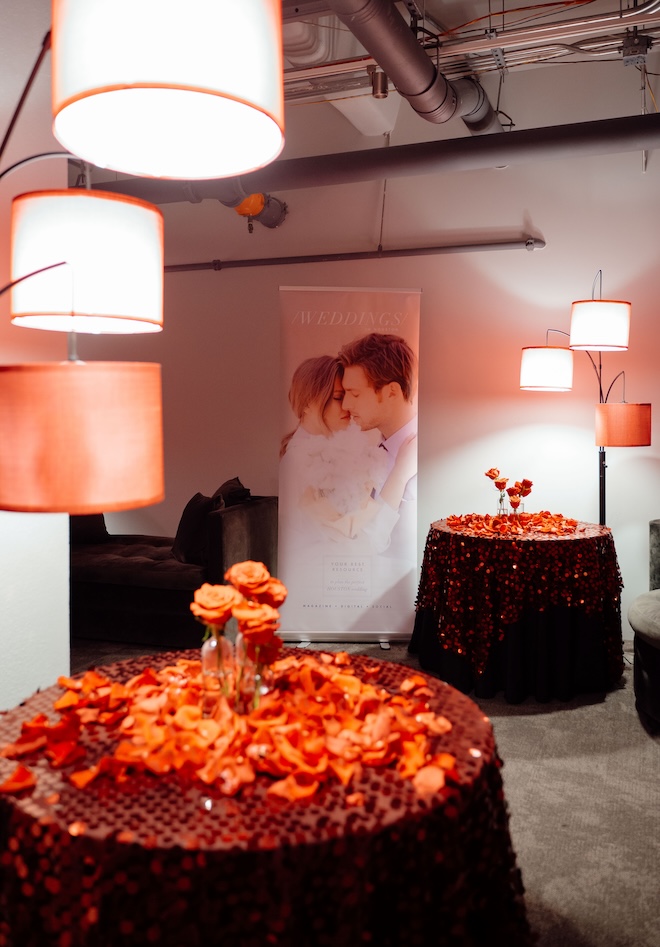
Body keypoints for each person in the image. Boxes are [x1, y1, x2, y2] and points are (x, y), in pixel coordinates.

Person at [279, 354, 414, 554]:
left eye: (351, 396)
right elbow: (362, 545)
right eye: (337, 397)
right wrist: (401, 474)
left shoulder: (328, 452)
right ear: (308, 403)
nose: (347, 406)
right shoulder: (301, 461)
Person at [337, 332, 418, 562]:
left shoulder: (425, 455)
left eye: (354, 394)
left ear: (391, 391)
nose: (346, 405)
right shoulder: (372, 450)